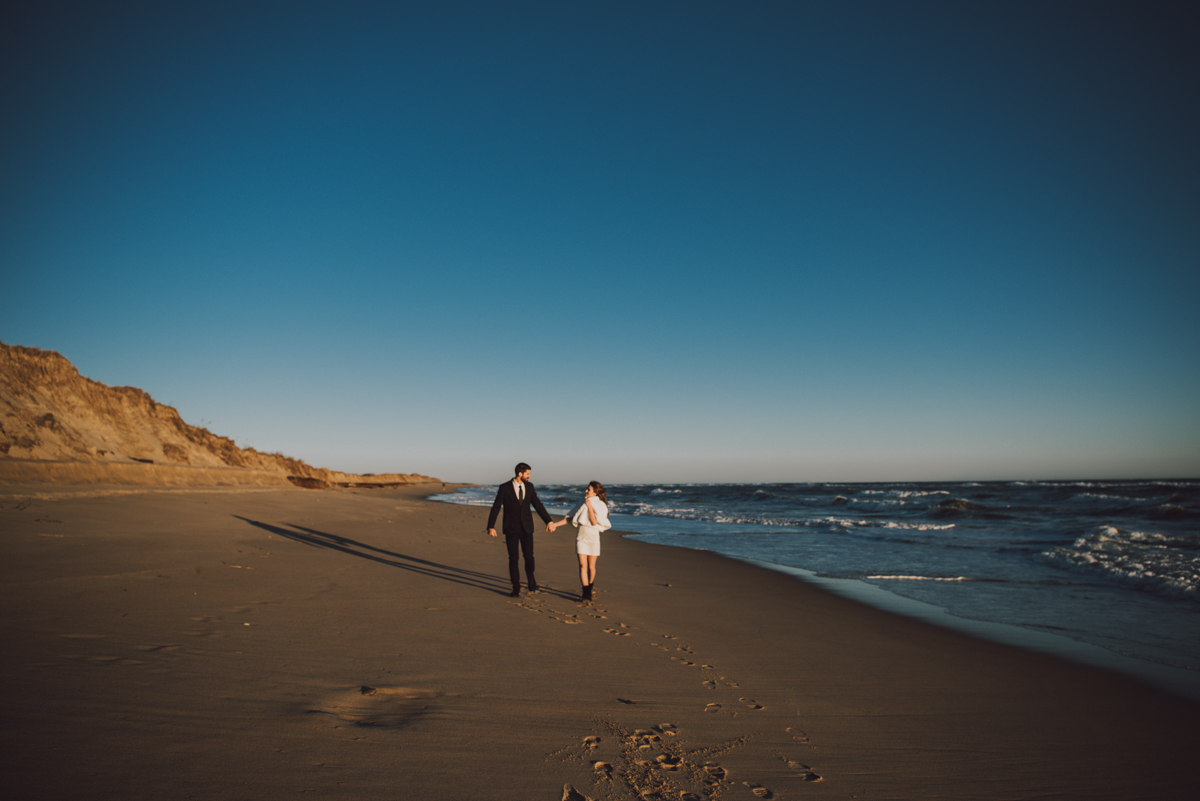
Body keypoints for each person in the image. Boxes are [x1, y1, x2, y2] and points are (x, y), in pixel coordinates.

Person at [487, 463, 553, 597]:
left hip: (527, 528)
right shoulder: (504, 488)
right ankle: (516, 587)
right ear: (520, 474)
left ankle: (530, 578)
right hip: (511, 528)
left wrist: (549, 521)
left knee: (529, 557)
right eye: (528, 473)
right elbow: (496, 507)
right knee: (513, 558)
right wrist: (491, 526)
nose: (530, 476)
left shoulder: (529, 486)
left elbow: (538, 505)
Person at [548, 481, 611, 601]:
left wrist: (590, 507)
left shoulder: (601, 505)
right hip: (581, 537)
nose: (586, 491)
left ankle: (589, 587)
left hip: (593, 538)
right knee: (583, 565)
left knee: (591, 567)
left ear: (595, 492)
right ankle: (586, 592)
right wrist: (555, 524)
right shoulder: (582, 501)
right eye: (586, 489)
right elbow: (571, 517)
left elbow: (594, 522)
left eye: (589, 490)